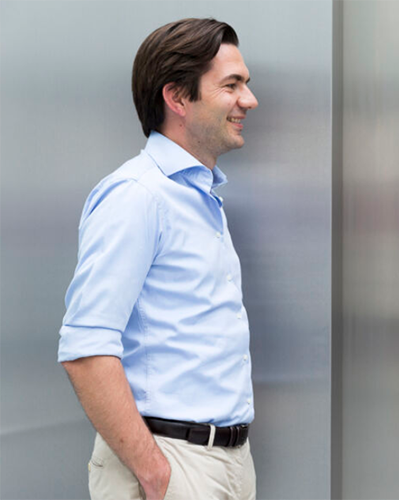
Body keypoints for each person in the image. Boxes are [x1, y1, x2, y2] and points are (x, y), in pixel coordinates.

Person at [58, 18, 259, 500]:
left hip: (227, 463)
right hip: (172, 464)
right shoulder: (137, 196)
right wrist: (153, 470)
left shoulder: (200, 197)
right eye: (231, 85)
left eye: (245, 85)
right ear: (177, 98)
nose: (248, 100)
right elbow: (86, 348)